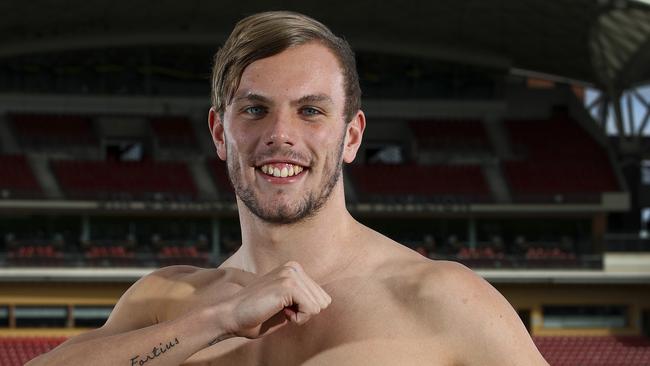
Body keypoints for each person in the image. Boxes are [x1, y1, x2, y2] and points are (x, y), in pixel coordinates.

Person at [27, 11, 549, 366]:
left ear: (351, 136)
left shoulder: (442, 299)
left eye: (311, 111)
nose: (281, 135)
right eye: (255, 110)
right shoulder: (166, 301)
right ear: (219, 133)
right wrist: (219, 320)